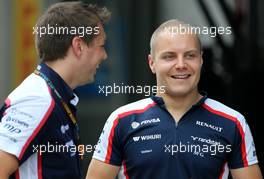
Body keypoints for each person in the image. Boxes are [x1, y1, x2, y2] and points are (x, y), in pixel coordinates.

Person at [86, 19, 262, 179]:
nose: (180, 65)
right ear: (152, 63)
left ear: (201, 60)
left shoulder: (232, 122)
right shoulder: (121, 121)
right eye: (169, 56)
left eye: (190, 55)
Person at [0, 1, 110, 179]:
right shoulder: (38, 99)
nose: (104, 55)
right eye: (101, 45)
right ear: (79, 46)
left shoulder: (52, 95)